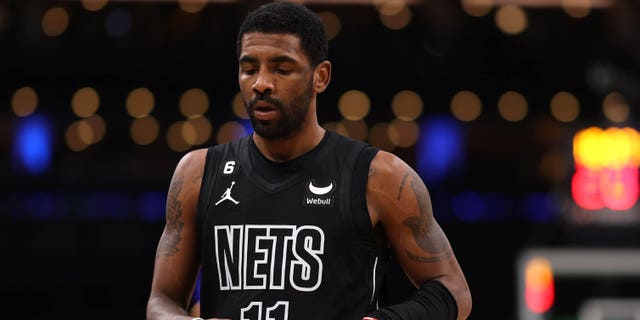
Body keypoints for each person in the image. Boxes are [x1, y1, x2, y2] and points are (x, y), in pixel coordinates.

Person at [146, 2, 471, 319]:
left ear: (321, 77)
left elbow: (452, 290)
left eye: (282, 69)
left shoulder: (379, 176)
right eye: (249, 69)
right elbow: (162, 300)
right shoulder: (197, 173)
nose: (261, 83)